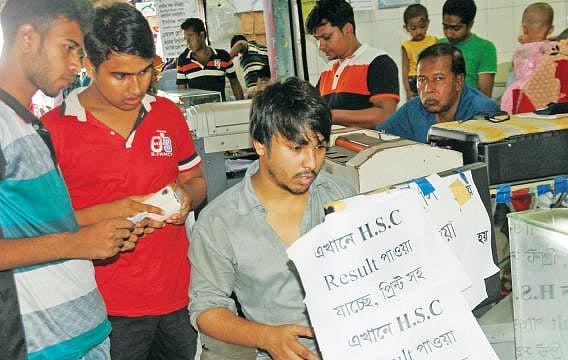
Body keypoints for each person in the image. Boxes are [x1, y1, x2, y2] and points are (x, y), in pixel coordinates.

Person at [0, 1, 147, 358]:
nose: (77, 65)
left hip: (84, 335)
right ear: (27, 37)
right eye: (69, 48)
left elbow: (38, 227)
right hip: (43, 347)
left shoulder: (26, 122)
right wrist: (77, 245)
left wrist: (112, 214)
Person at [42, 4, 206, 359]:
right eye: (120, 75)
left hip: (177, 296)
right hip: (104, 308)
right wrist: (111, 213)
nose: (137, 87)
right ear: (90, 65)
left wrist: (186, 197)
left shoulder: (167, 114)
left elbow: (195, 179)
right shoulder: (55, 131)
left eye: (145, 71)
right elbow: (45, 226)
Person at [189, 77, 356, 360]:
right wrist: (266, 337)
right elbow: (206, 309)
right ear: (260, 145)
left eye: (319, 147)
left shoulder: (342, 196)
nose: (311, 163)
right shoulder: (219, 222)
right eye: (296, 148)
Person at [377, 43, 499, 143]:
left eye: (439, 78)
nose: (428, 89)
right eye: (422, 80)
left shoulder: (483, 113)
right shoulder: (413, 108)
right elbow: (378, 139)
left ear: (459, 81)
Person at [306, 0, 399, 129]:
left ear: (347, 29)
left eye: (327, 37)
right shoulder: (327, 71)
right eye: (317, 40)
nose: (321, 46)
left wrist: (332, 116)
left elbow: (385, 116)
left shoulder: (378, 62)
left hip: (369, 148)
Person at [501, 2, 555, 113]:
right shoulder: (553, 48)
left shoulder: (519, 51)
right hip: (543, 94)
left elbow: (515, 67)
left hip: (517, 95)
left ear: (524, 29)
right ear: (551, 30)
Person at [177, 18, 244, 101]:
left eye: (191, 36)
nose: (188, 42)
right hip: (198, 112)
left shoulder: (222, 56)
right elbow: (182, 90)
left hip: (220, 110)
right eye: (185, 38)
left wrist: (241, 106)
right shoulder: (183, 60)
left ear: (201, 35)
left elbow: (234, 83)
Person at [440, 0, 497, 98]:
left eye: (456, 28)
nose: (449, 33)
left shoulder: (485, 48)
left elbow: (484, 96)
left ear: (470, 25)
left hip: (471, 109)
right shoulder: (439, 45)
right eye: (445, 27)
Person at [401, 4, 438, 100]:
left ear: (428, 23)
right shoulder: (406, 45)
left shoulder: (433, 40)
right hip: (414, 78)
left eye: (422, 27)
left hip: (432, 75)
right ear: (406, 28)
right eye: (413, 28)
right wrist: (407, 90)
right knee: (417, 104)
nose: (418, 31)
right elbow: (405, 68)